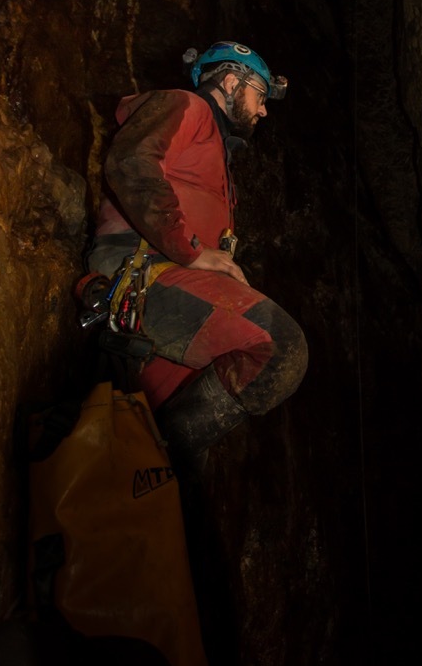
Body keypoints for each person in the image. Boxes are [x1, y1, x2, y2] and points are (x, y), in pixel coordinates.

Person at [87, 41, 307, 461]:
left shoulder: (218, 159)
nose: (263, 110)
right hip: (145, 271)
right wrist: (192, 251)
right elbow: (132, 162)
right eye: (259, 95)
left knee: (161, 437)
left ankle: (152, 471)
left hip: (179, 285)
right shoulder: (186, 107)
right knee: (280, 345)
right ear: (229, 81)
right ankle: (160, 458)